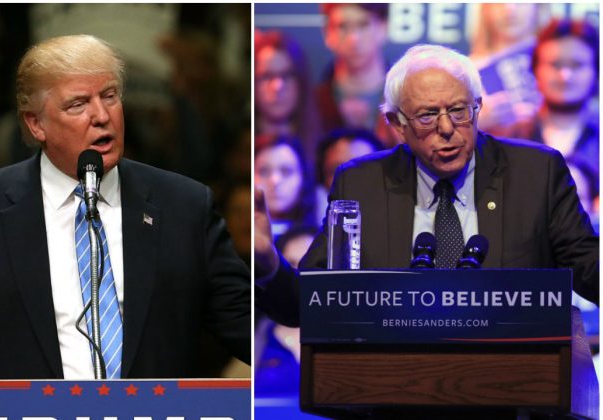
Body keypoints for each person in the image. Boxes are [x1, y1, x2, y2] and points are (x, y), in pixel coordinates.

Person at [0, 34, 251, 380]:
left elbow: (247, 326)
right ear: (35, 123)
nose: (101, 116)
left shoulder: (184, 207)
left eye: (110, 96)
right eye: (77, 105)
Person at [255, 44, 599, 327]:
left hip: (513, 391)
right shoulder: (362, 184)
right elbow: (312, 301)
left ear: (478, 107)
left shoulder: (535, 173)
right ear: (396, 124)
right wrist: (268, 263)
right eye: (427, 116)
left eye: (459, 111)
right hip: (395, 389)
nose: (447, 128)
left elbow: (589, 269)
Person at [525, 19, 599, 203]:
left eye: (577, 65)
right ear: (534, 70)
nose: (565, 76)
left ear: (597, 71)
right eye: (555, 64)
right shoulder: (508, 138)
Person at [315, 3, 398, 147]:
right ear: (327, 33)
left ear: (384, 28)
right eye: (343, 26)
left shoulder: (405, 100)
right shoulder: (312, 103)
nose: (353, 39)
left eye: (363, 24)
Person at [469, 3, 543, 138]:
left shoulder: (556, 61)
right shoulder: (466, 69)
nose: (510, 10)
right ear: (485, 9)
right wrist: (475, 122)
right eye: (499, 2)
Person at [254, 30, 320, 169]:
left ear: (301, 81)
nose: (277, 86)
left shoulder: (321, 149)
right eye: (267, 76)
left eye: (286, 75)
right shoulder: (244, 150)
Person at [254, 134, 316, 241]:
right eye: (264, 171)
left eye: (286, 171)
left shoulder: (319, 241)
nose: (274, 181)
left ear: (303, 177)